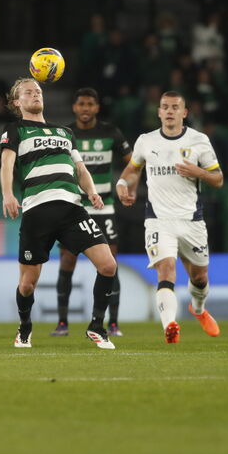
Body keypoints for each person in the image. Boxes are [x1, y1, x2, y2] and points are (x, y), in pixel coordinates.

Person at [0, 78, 118, 349]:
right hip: (36, 211)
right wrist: (8, 194)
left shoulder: (65, 132)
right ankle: (25, 326)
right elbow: (7, 164)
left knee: (108, 265)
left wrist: (91, 191)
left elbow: (80, 168)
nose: (35, 94)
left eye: (38, 91)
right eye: (28, 92)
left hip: (72, 210)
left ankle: (97, 327)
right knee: (27, 284)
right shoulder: (15, 129)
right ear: (17, 103)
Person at [116, 91, 223, 343]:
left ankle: (197, 309)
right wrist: (122, 183)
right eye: (165, 107)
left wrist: (199, 172)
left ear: (184, 113)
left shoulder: (199, 141)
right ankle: (170, 325)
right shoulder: (146, 141)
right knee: (166, 269)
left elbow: (218, 179)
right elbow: (133, 168)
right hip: (158, 220)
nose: (170, 111)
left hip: (191, 220)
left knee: (199, 277)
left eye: (175, 107)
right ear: (159, 112)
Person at [50, 88, 132, 338]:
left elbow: (133, 162)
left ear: (97, 108)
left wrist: (125, 184)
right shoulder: (64, 134)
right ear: (74, 107)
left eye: (90, 104)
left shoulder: (110, 133)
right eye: (81, 104)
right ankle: (62, 323)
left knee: (110, 263)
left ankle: (113, 323)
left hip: (104, 206)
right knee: (67, 261)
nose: (85, 108)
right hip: (74, 206)